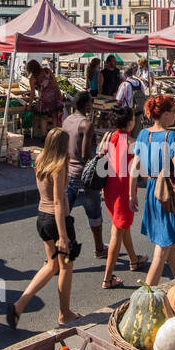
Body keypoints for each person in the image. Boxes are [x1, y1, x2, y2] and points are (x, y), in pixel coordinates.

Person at [6, 127, 79, 329]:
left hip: (42, 219)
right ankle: (65, 313)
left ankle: (19, 305)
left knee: (51, 265)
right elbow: (57, 202)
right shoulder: (59, 166)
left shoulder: (40, 162)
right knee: (65, 267)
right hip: (57, 222)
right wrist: (63, 236)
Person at [130, 95, 175, 286]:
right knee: (162, 248)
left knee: (170, 244)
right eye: (173, 111)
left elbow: (134, 167)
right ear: (164, 114)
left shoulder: (143, 134)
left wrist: (132, 194)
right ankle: (146, 295)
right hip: (166, 193)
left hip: (151, 192)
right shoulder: (171, 137)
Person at [100, 106, 142, 289]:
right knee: (117, 232)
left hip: (110, 189)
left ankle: (133, 260)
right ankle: (107, 278)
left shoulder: (111, 137)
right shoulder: (132, 143)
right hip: (124, 192)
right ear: (130, 122)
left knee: (122, 227)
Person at [61, 92, 107, 259]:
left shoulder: (67, 121)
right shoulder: (86, 124)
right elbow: (86, 153)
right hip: (83, 176)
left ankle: (57, 250)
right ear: (86, 104)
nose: (92, 105)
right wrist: (99, 159)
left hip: (68, 173)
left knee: (64, 214)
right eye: (91, 102)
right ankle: (99, 248)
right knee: (94, 214)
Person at [26, 59, 64, 138]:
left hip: (44, 98)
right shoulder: (47, 71)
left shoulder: (33, 78)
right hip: (54, 95)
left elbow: (32, 93)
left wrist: (29, 104)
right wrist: (59, 95)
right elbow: (55, 83)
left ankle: (44, 135)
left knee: (44, 117)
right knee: (54, 115)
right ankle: (54, 135)